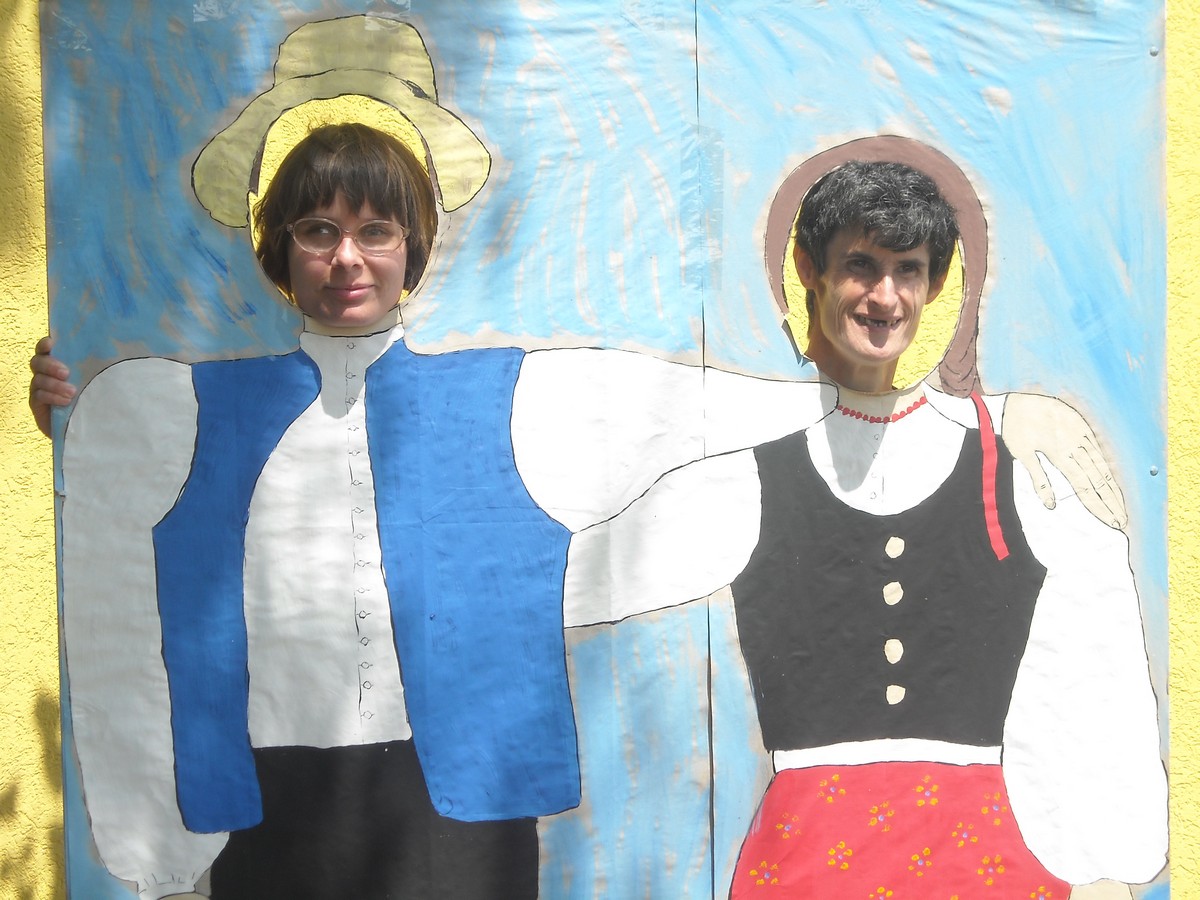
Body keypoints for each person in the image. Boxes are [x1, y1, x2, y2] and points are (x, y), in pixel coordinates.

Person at [30, 17, 1135, 899]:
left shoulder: (520, 395)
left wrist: (993, 415)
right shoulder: (176, 412)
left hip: (463, 816)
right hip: (270, 810)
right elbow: (112, 575)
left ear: (415, 243)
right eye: (318, 231)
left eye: (376, 230)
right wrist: (51, 419)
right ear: (278, 246)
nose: (349, 259)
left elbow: (728, 408)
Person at [560, 148, 1167, 898]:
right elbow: (580, 580)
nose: (885, 295)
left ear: (936, 285)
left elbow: (1098, 668)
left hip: (983, 858)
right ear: (810, 273)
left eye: (907, 270)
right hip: (808, 858)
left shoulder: (1025, 470)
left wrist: (1111, 871)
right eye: (860, 266)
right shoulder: (748, 479)